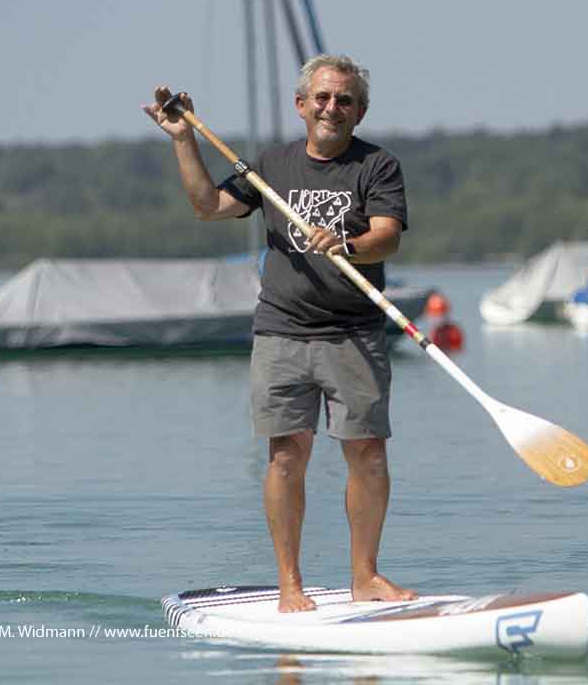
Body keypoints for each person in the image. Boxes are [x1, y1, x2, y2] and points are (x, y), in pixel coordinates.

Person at [142, 54, 416, 613]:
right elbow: (208, 206)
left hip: (354, 332)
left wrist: (350, 246)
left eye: (344, 100)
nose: (331, 107)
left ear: (359, 112)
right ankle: (290, 585)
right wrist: (181, 139)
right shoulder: (271, 166)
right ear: (301, 105)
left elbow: (387, 237)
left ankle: (365, 576)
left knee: (367, 454)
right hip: (282, 333)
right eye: (321, 97)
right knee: (287, 457)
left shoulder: (378, 167)